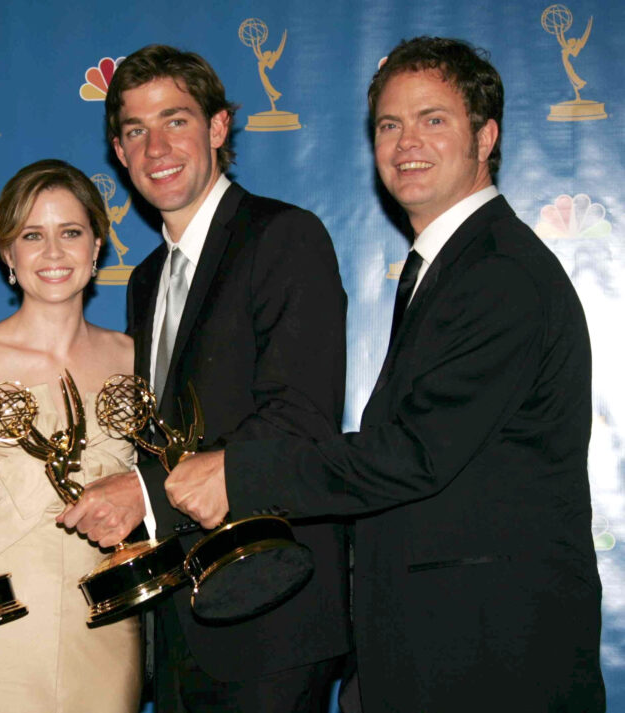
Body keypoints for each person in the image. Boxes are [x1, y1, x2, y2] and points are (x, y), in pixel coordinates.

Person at [169, 37, 606, 711]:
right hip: (433, 648)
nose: (408, 142)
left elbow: (415, 452)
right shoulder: (446, 267)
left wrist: (239, 473)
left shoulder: (499, 273)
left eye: (434, 119)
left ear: (485, 135)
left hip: (491, 658)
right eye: (388, 124)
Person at [57, 44, 352, 712]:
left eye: (176, 120)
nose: (156, 145)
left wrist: (142, 492)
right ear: (119, 151)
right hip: (184, 617)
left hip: (271, 609)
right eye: (135, 130)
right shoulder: (146, 281)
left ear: (218, 128)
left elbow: (298, 419)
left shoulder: (284, 237)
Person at [0, 159, 142, 713]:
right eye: (32, 236)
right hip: (0, 623)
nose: (54, 253)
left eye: (70, 233)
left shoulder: (137, 360)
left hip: (108, 618)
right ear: (9, 256)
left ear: (96, 247)